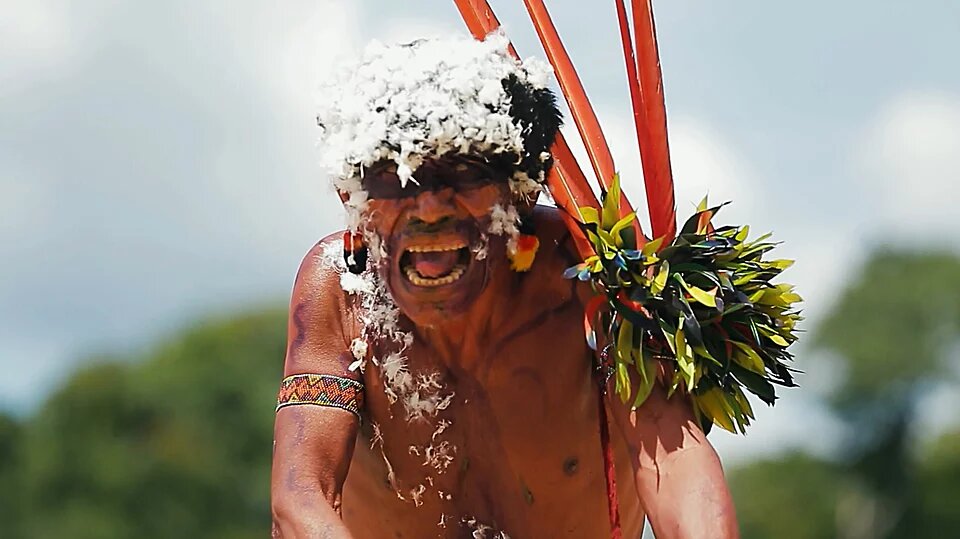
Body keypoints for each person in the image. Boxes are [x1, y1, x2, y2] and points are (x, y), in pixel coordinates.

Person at [271, 33, 738, 538]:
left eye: (464, 173)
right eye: (396, 176)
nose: (429, 208)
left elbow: (671, 455)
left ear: (522, 189)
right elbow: (302, 498)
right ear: (353, 196)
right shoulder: (342, 286)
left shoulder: (589, 276)